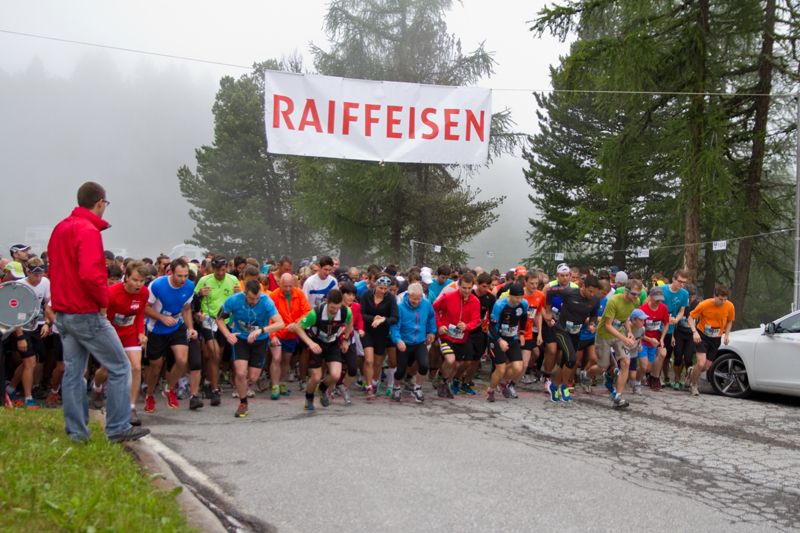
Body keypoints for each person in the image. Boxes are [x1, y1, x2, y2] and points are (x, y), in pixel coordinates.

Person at [47, 181, 149, 442]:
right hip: (85, 311)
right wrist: (103, 301)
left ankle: (77, 432)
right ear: (100, 202)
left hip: (63, 312)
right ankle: (117, 427)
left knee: (73, 372)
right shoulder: (88, 230)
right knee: (120, 366)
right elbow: (91, 274)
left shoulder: (60, 228)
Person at [217, 280, 284, 418]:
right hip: (240, 339)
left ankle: (241, 386)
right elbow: (219, 318)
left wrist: (261, 330)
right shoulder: (234, 300)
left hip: (260, 341)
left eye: (257, 298)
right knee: (241, 373)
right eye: (251, 298)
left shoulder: (266, 301)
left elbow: (280, 323)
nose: (254, 301)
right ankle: (243, 403)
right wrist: (228, 334)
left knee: (253, 377)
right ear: (245, 293)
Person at [143, 258, 198, 412]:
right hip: (156, 329)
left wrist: (190, 328)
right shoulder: (157, 285)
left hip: (177, 326)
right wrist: (161, 318)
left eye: (186, 275)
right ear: (171, 272)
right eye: (179, 276)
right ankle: (149, 395)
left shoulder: (189, 286)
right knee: (155, 367)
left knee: (182, 360)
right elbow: (145, 307)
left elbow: (186, 309)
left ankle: (169, 388)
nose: (183, 279)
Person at [291, 289, 353, 411]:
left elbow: (350, 323)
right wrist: (311, 343)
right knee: (316, 377)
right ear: (326, 301)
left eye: (337, 308)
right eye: (332, 308)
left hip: (332, 343)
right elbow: (298, 327)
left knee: (335, 375)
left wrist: (345, 339)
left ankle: (322, 389)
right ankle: (309, 398)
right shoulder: (315, 313)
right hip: (317, 343)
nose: (335, 311)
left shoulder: (346, 311)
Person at [543, 275, 601, 402]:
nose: (592, 294)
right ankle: (565, 386)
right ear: (583, 286)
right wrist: (548, 311)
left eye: (594, 292)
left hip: (576, 332)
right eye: (590, 291)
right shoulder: (569, 292)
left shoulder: (595, 299)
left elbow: (594, 315)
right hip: (562, 330)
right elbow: (549, 292)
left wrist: (593, 324)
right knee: (572, 359)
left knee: (566, 362)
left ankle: (554, 386)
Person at [106, 260, 150, 425]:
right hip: (112, 332)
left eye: (142, 281)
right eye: (135, 280)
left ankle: (131, 407)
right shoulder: (112, 292)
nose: (138, 284)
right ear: (126, 278)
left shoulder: (144, 293)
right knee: (106, 370)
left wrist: (141, 332)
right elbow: (105, 317)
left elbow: (140, 313)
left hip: (130, 332)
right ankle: (97, 387)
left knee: (136, 367)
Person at [194, 256, 239, 406]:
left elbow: (239, 301)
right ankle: (215, 390)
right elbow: (192, 301)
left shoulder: (233, 280)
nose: (221, 273)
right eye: (218, 270)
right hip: (209, 320)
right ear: (212, 269)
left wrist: (239, 294)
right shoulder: (204, 280)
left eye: (223, 269)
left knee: (216, 356)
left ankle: (208, 380)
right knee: (214, 353)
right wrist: (200, 295)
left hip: (225, 322)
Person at [593, 279, 644, 409]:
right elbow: (608, 325)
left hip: (619, 334)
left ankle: (618, 396)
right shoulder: (613, 301)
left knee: (625, 362)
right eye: (634, 294)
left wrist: (629, 332)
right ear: (626, 291)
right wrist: (625, 338)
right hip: (604, 335)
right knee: (603, 366)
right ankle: (586, 375)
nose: (636, 297)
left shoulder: (636, 301)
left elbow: (625, 318)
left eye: (638, 294)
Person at [432, 272, 480, 399]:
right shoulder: (448, 296)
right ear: (459, 285)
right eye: (464, 288)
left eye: (469, 288)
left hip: (462, 338)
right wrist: (439, 325)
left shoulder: (475, 301)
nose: (466, 291)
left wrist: (467, 326)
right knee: (450, 360)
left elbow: (476, 320)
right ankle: (443, 382)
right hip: (446, 336)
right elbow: (434, 309)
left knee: (458, 365)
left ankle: (444, 380)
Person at [390, 282, 436, 403]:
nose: (417, 301)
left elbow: (431, 318)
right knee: (401, 370)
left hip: (420, 341)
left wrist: (431, 332)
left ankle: (418, 388)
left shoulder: (426, 304)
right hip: (404, 342)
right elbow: (395, 327)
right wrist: (398, 340)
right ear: (408, 295)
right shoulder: (400, 307)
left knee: (424, 365)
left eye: (419, 298)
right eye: (414, 299)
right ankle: (396, 387)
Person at [268, 273, 311, 399]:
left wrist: (297, 324)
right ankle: (275, 386)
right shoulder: (273, 296)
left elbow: (307, 312)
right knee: (276, 358)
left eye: (290, 286)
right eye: (285, 286)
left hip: (291, 334)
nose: (287, 289)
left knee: (286, 360)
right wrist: (272, 335)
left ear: (294, 284)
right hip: (277, 332)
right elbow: (268, 317)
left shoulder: (299, 294)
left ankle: (281, 382)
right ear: (280, 284)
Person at [687, 285, 735, 397]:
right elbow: (690, 317)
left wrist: (727, 335)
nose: (723, 302)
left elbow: (730, 321)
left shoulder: (730, 306)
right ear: (715, 296)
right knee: (701, 363)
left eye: (725, 299)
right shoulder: (704, 304)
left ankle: (692, 371)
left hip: (716, 338)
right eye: (720, 299)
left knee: (706, 367)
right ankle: (694, 385)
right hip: (702, 336)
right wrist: (694, 332)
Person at [359, 274, 399, 399]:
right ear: (376, 286)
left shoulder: (390, 298)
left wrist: (383, 319)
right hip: (368, 331)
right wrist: (373, 318)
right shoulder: (366, 295)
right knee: (368, 360)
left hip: (382, 333)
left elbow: (395, 318)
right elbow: (361, 314)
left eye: (385, 289)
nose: (383, 291)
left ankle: (375, 381)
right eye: (380, 288)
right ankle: (368, 386)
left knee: (377, 363)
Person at [487, 283, 528, 402]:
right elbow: (491, 327)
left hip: (512, 338)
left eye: (521, 297)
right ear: (510, 295)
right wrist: (500, 341)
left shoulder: (524, 303)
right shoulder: (500, 304)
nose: (519, 300)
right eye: (517, 298)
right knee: (501, 368)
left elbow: (524, 317)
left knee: (518, 367)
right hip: (496, 337)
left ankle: (502, 381)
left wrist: (521, 333)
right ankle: (491, 389)